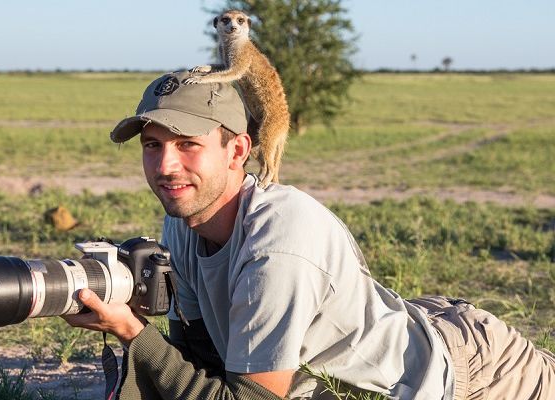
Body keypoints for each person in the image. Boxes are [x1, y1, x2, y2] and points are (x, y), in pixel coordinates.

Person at [63, 70, 555, 399]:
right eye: (152, 146)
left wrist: (132, 332)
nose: (166, 166)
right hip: (405, 324)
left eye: (188, 145)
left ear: (238, 151)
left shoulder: (277, 245)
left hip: (474, 376)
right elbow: (201, 355)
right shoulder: (184, 218)